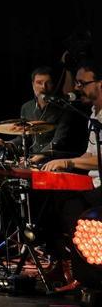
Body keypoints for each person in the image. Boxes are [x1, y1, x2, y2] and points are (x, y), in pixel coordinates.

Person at [40, 60, 102, 290]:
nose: (77, 88)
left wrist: (68, 161)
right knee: (60, 205)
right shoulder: (94, 114)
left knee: (74, 208)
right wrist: (57, 159)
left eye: (82, 83)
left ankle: (88, 278)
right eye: (76, 83)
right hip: (94, 181)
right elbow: (90, 154)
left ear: (100, 84)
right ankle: (77, 274)